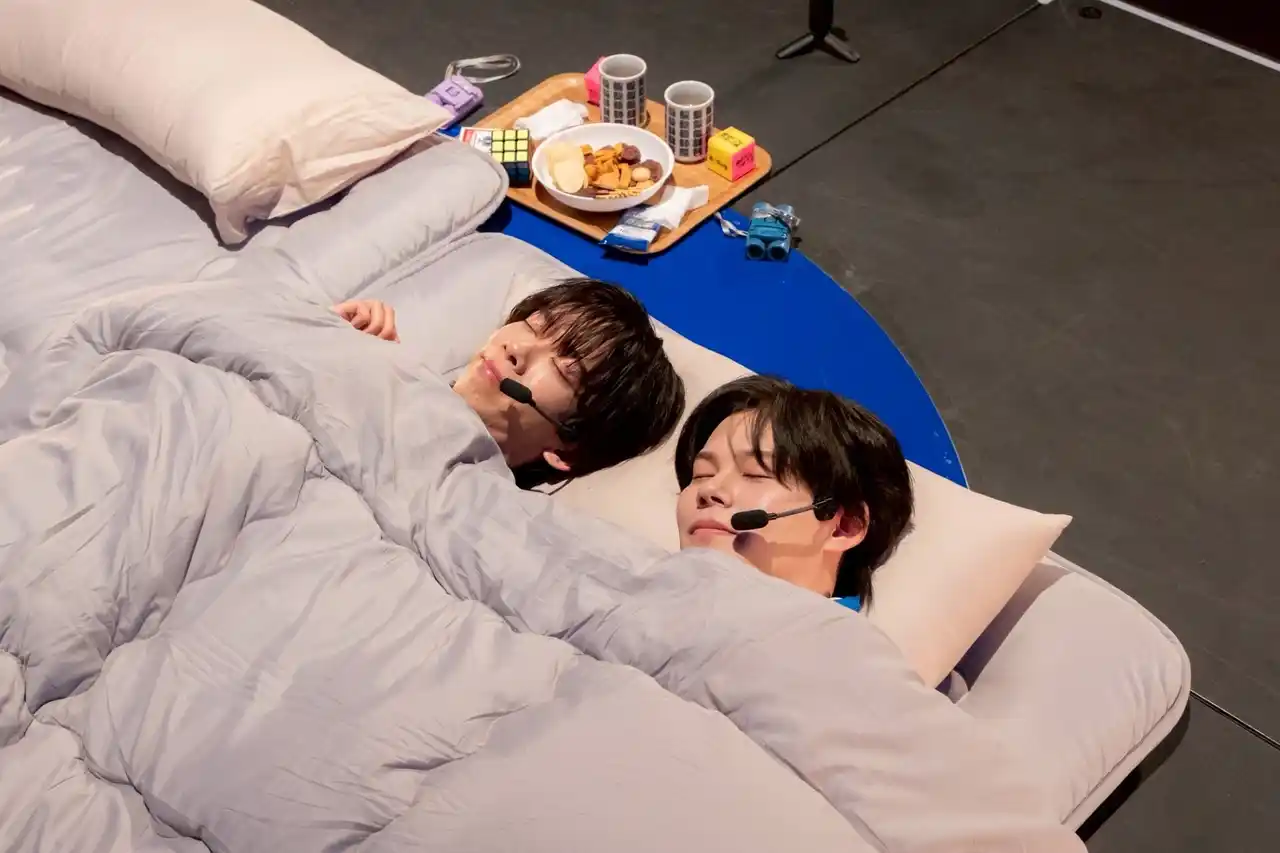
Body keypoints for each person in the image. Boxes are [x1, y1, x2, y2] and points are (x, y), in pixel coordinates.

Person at [334, 278, 685, 489]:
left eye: (566, 369)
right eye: (535, 325)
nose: (516, 349)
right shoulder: (382, 375)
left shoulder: (484, 531)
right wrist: (334, 348)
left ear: (567, 450)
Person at [674, 375, 913, 607]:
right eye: (701, 474)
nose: (709, 489)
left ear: (845, 526)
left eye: (755, 473)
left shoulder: (838, 636)